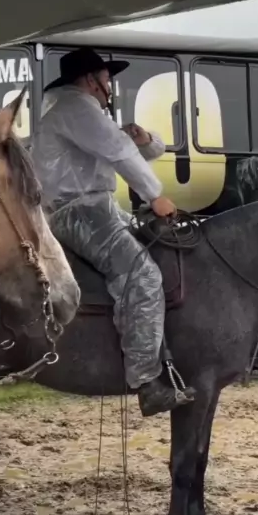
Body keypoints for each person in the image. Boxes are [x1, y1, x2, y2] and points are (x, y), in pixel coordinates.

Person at [35, 47, 196, 417]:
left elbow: (127, 148)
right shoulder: (77, 107)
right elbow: (118, 150)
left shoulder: (69, 108)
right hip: (81, 213)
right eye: (107, 78)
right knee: (142, 274)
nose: (110, 85)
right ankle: (146, 382)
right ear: (90, 80)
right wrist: (156, 196)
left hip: (95, 208)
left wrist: (145, 139)